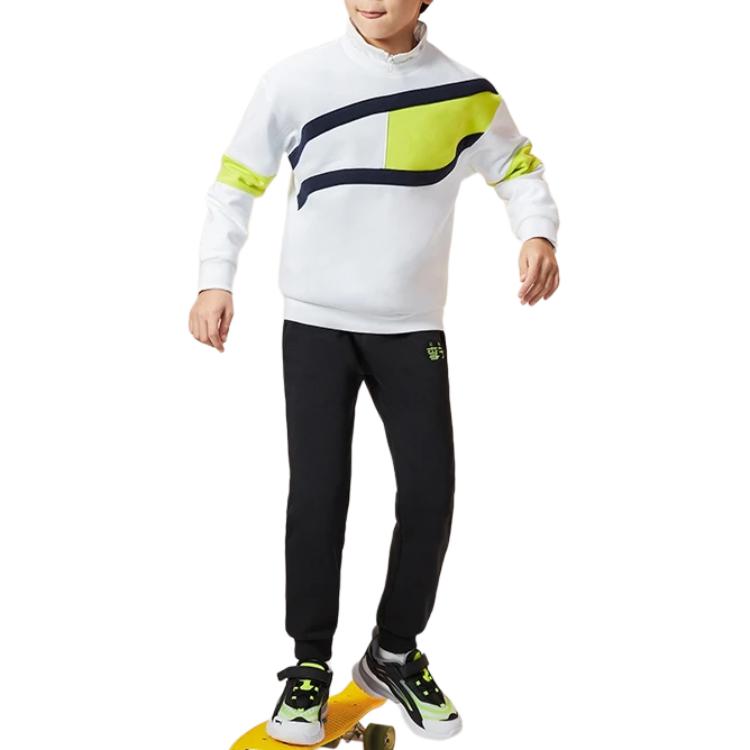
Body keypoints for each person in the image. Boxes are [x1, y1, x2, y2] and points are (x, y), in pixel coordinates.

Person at [189, 0, 560, 743]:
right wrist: (214, 278)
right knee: (318, 495)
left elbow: (519, 168)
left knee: (430, 494)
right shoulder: (295, 80)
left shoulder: (464, 91)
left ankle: (393, 652)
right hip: (316, 324)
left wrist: (538, 233)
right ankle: (308, 665)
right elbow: (236, 181)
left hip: (410, 327)